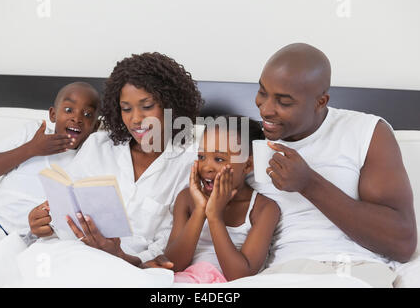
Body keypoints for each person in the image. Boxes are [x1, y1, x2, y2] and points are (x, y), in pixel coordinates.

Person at [252, 43, 417, 287]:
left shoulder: (366, 132)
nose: (265, 109)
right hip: (280, 275)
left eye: (284, 102)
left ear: (321, 102)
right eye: (262, 92)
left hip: (353, 271)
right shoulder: (243, 140)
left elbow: (402, 243)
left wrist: (309, 184)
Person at [28, 52, 204, 267]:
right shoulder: (98, 146)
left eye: (147, 106)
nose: (136, 119)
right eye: (126, 109)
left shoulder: (189, 163)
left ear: (171, 106)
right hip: (71, 252)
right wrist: (43, 222)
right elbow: (64, 207)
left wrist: (121, 256)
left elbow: (168, 247)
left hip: (126, 267)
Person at [0, 81, 101, 277]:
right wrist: (32, 149)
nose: (77, 118)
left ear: (96, 126)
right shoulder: (33, 133)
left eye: (87, 114)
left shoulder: (92, 156)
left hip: (41, 240)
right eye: (68, 109)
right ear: (53, 115)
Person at [164, 116, 280, 283]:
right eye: (202, 156)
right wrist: (200, 211)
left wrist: (214, 216)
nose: (207, 167)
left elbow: (240, 275)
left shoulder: (264, 209)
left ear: (247, 165)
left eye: (219, 159)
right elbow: (171, 265)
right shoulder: (187, 199)